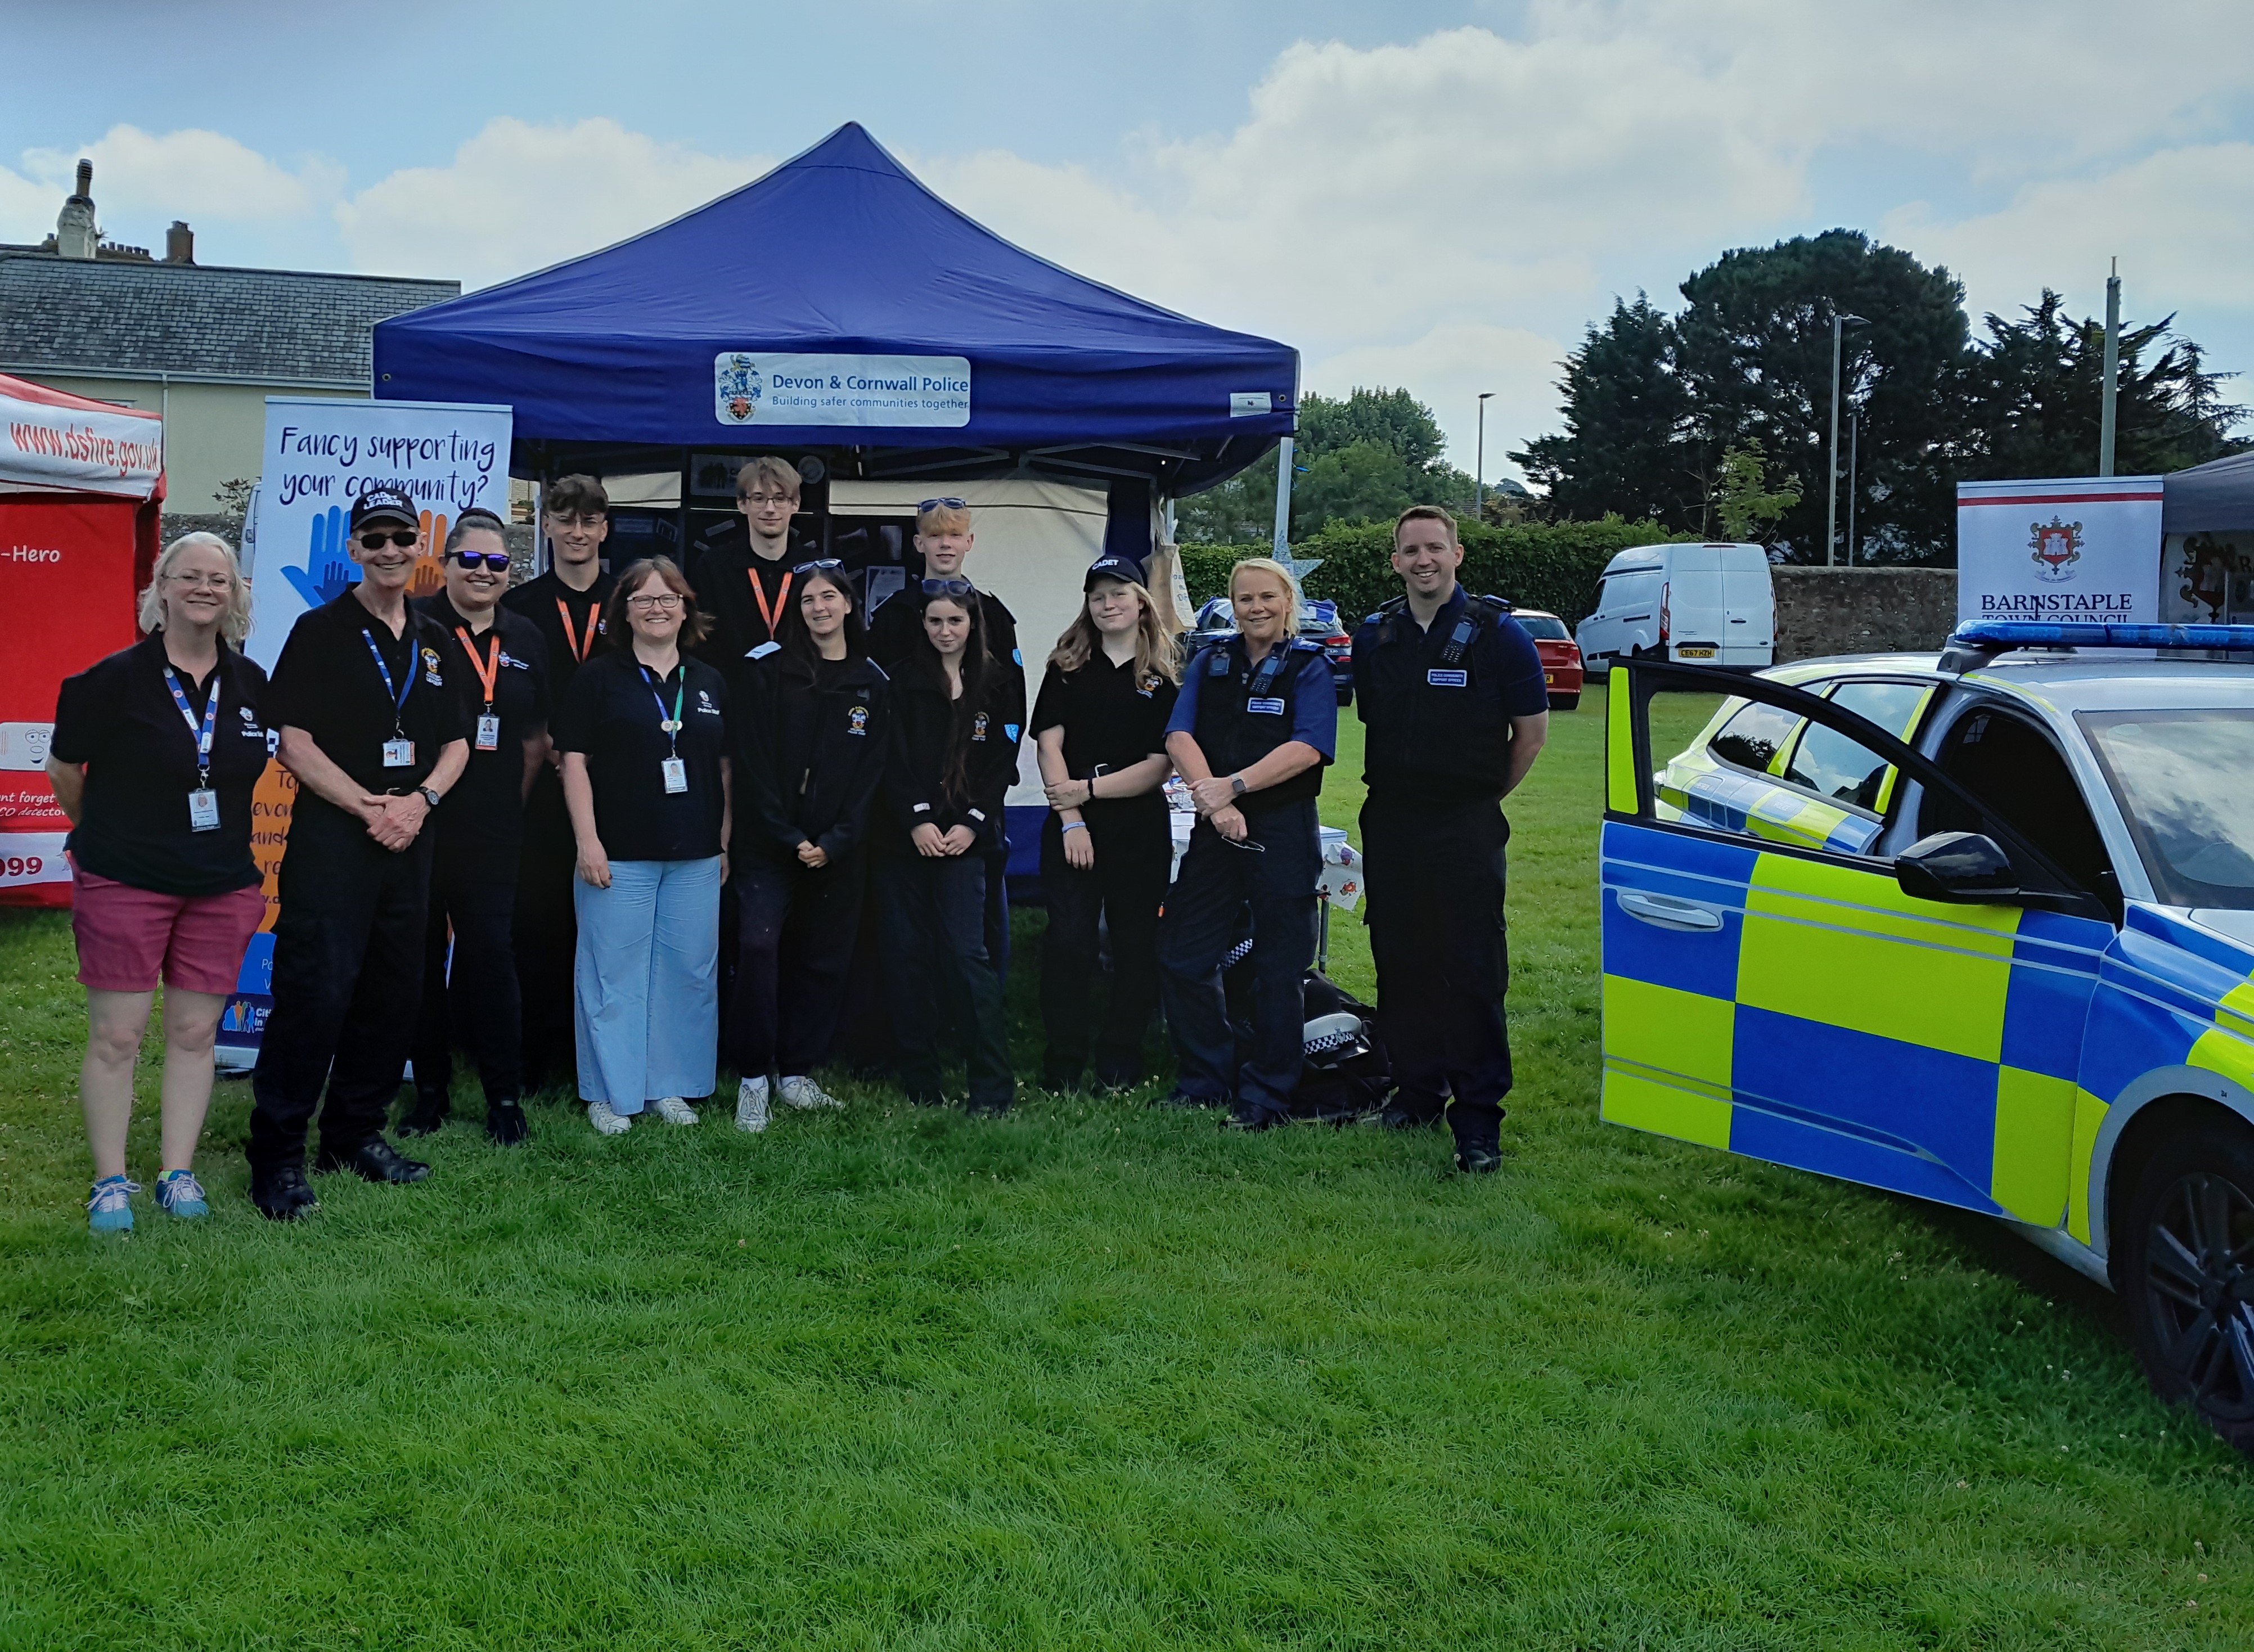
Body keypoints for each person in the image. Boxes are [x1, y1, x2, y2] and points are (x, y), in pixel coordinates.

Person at [248, 489, 471, 1219]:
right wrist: (366, 805)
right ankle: (278, 1157)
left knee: (392, 994)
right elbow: (293, 741)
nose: (389, 551)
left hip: (411, 839)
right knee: (315, 996)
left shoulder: (434, 638)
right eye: (374, 539)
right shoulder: (319, 631)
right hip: (335, 842)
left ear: (419, 547)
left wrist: (420, 802)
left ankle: (354, 1135)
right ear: (353, 550)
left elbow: (458, 742)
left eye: (401, 537)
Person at [44, 533, 270, 1231]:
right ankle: (111, 1182)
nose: (204, 589)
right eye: (189, 576)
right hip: (126, 879)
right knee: (118, 1035)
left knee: (196, 1032)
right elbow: (63, 769)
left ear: (234, 595)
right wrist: (102, 834)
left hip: (220, 883)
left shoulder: (251, 683)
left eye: (219, 580)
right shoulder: (110, 681)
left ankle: (178, 1173)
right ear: (162, 588)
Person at [1352, 506, 1550, 1174]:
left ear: (1456, 554)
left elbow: (1530, 736)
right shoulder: (1375, 634)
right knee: (1400, 958)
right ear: (1395, 561)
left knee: (1470, 968)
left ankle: (1477, 1118)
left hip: (1463, 823)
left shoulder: (1500, 635)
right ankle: (1415, 1092)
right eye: (1410, 551)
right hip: (1391, 821)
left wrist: (1479, 799)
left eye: (1434, 548)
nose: (1423, 560)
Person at [1158, 556, 1337, 1130]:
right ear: (1231, 606)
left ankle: (1268, 1092)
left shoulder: (1309, 667)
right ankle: (1206, 1078)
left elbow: (1308, 747)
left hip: (1281, 828)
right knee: (1184, 955)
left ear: (1287, 602)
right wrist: (1217, 804)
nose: (1255, 608)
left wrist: (1233, 787)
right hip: (1216, 828)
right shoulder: (1210, 660)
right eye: (1244, 598)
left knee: (1278, 970)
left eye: (1266, 597)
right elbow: (1177, 735)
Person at [556, 557, 731, 1135]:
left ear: (686, 609)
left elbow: (724, 768)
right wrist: (587, 841)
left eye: (668, 599)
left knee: (687, 973)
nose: (658, 609)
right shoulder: (597, 678)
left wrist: (724, 840)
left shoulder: (708, 682)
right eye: (644, 600)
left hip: (695, 854)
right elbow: (573, 763)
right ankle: (609, 1092)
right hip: (618, 852)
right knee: (613, 974)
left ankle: (668, 1086)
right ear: (624, 613)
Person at [400, 510, 550, 1145]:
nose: (484, 573)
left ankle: (504, 1099)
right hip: (420, 823)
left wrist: (509, 805)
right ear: (445, 563)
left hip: (493, 831)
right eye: (471, 561)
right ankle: (429, 1093)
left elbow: (536, 739)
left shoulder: (526, 637)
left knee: (491, 958)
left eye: (497, 563)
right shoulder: (414, 624)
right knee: (419, 961)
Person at [727, 560, 889, 1131]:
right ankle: (753, 1076)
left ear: (848, 604)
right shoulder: (767, 670)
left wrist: (835, 841)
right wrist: (789, 837)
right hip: (770, 843)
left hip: (836, 850)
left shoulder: (872, 681)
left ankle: (796, 1073)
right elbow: (749, 762)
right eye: (807, 600)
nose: (819, 608)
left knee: (822, 958)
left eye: (828, 597)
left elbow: (872, 776)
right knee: (758, 948)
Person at [1030, 556, 1179, 1091]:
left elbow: (1159, 765)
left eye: (1119, 593)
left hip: (1137, 826)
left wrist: (1089, 790)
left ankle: (1120, 1057)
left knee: (1135, 944)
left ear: (1141, 602)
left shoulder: (1163, 677)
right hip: (1073, 827)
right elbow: (1048, 744)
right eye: (1097, 596)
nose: (1108, 604)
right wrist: (1072, 819)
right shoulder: (1067, 667)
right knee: (1068, 942)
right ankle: (1064, 1060)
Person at [878, 590, 1024, 1114]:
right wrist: (917, 818)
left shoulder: (998, 681)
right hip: (904, 840)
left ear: (972, 623)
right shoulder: (899, 679)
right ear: (922, 624)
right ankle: (920, 1079)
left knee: (966, 955)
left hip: (968, 840)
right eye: (935, 621)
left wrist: (972, 823)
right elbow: (890, 757)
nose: (945, 631)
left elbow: (1003, 759)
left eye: (955, 621)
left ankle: (991, 1086)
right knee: (907, 955)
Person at [865, 497, 1023, 975]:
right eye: (935, 536)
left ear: (969, 542)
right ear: (919, 544)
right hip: (906, 788)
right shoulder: (893, 615)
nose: (945, 545)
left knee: (974, 917)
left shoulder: (995, 615)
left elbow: (1013, 710)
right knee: (904, 927)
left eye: (954, 535)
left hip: (973, 786)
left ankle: (979, 1001)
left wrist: (988, 793)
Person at [503, 474, 615, 1093]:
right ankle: (532, 1057)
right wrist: (544, 741)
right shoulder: (520, 606)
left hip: (612, 784)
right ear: (544, 525)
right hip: (540, 782)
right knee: (539, 919)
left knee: (603, 923)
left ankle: (594, 1054)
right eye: (565, 519)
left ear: (604, 529)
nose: (577, 532)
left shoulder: (627, 601)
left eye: (588, 521)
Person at [688, 457, 813, 674]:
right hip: (731, 689)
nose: (770, 509)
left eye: (780, 498)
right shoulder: (713, 567)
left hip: (802, 689)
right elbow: (699, 638)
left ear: (795, 504)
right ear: (742, 504)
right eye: (759, 498)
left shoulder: (816, 568)